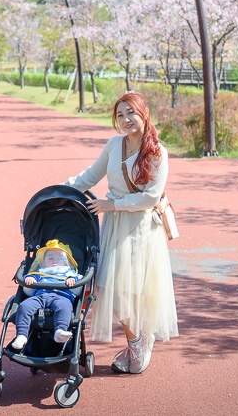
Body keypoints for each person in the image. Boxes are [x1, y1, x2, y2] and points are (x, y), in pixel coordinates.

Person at [65, 91, 177, 374]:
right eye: (120, 115)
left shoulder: (158, 153)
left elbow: (150, 197)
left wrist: (111, 204)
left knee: (133, 290)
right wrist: (59, 190)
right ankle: (138, 340)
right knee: (107, 288)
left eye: (131, 113)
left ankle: (138, 341)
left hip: (141, 228)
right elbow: (89, 176)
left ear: (144, 113)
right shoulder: (114, 145)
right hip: (114, 224)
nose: (126, 119)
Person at [10, 240, 81, 350]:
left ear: (66, 262)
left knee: (64, 306)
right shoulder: (41, 272)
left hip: (61, 296)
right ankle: (22, 335)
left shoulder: (69, 273)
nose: (55, 261)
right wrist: (30, 279)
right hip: (39, 296)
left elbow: (78, 286)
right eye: (50, 258)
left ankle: (60, 331)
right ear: (43, 262)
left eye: (60, 258)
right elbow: (28, 288)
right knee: (25, 306)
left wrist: (72, 281)